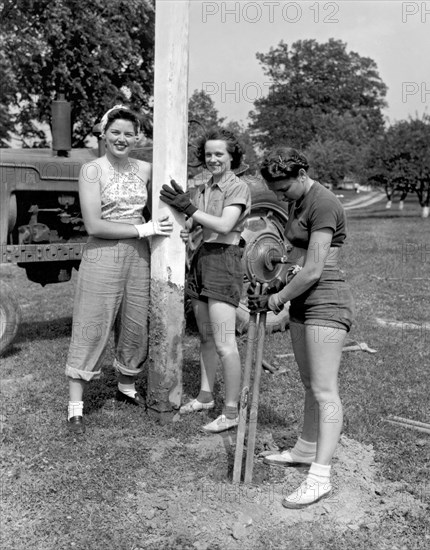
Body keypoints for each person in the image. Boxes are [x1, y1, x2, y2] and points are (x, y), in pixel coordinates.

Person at [248, 147, 355, 508]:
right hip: (302, 301)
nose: (280, 197)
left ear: (302, 175)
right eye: (275, 191)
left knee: (325, 389)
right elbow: (297, 258)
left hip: (326, 302)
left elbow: (314, 269)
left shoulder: (323, 203)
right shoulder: (297, 200)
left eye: (284, 190)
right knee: (309, 383)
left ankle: (320, 477)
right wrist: (277, 283)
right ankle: (305, 450)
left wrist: (276, 301)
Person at [65, 105, 173, 434]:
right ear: (104, 134)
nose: (121, 139)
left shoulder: (146, 169)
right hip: (103, 253)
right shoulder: (91, 170)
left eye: (128, 133)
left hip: (138, 256)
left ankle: (126, 387)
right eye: (115, 132)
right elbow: (94, 224)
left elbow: (174, 196)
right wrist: (144, 229)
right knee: (93, 321)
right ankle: (75, 406)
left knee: (135, 321)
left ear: (137, 137)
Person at [160, 128, 251, 433]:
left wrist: (191, 210)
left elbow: (225, 224)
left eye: (219, 154)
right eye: (209, 154)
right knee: (207, 338)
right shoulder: (203, 187)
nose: (213, 159)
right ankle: (205, 396)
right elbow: (192, 222)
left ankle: (232, 411)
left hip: (225, 261)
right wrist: (186, 224)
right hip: (202, 258)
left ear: (232, 156)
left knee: (226, 344)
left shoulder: (238, 187)